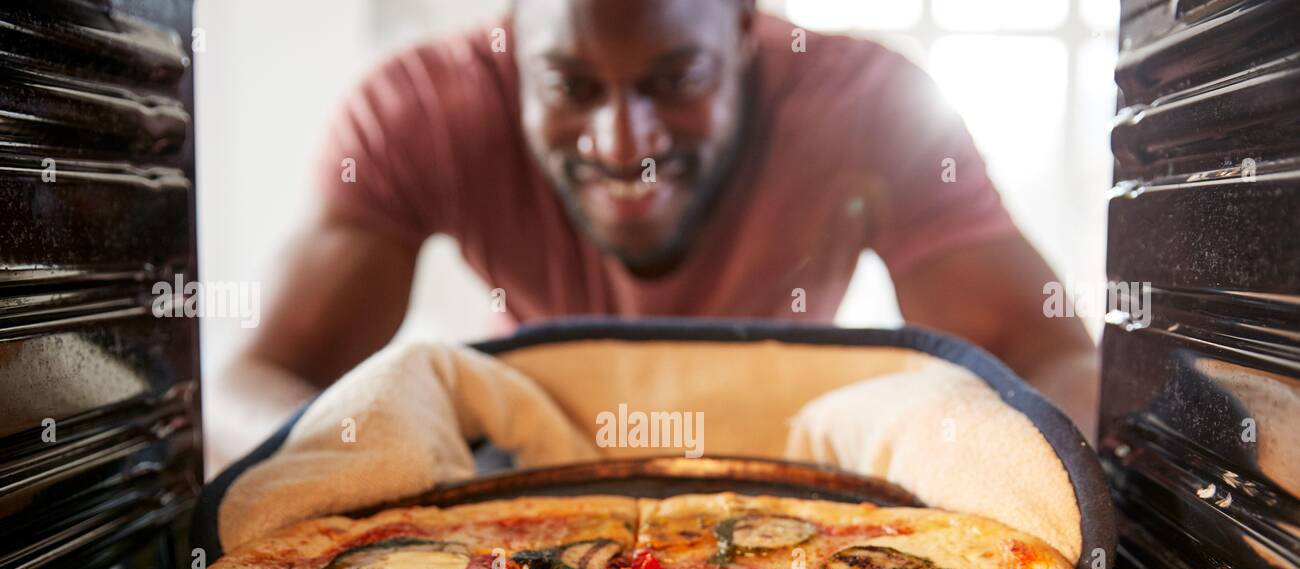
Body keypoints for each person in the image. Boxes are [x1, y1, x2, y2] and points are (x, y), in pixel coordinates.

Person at [209, 0, 1098, 470]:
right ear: (514, 42)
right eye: (569, 87)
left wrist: (971, 462)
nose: (623, 144)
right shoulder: (419, 109)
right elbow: (249, 383)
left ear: (746, 32)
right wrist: (371, 473)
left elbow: (1060, 365)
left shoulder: (875, 106)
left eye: (676, 79)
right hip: (531, 510)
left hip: (801, 516)